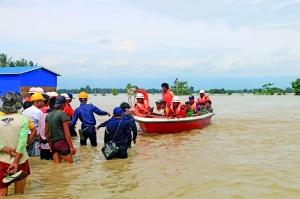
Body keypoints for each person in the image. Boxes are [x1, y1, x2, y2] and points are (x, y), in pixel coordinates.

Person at [0, 92, 30, 196]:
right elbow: (22, 142)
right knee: (19, 194)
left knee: (2, 194)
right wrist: (16, 161)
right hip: (20, 160)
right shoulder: (23, 119)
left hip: (2, 161)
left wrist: (5, 149)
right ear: (18, 103)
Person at [45, 96, 76, 163]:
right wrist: (71, 147)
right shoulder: (62, 114)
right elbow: (66, 132)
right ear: (63, 104)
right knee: (69, 166)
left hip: (53, 144)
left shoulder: (48, 115)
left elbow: (46, 133)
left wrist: (50, 144)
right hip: (62, 143)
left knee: (57, 167)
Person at [22, 93, 44, 157]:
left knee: (27, 156)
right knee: (36, 156)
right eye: (42, 101)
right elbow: (43, 126)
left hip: (25, 136)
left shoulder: (25, 111)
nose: (43, 103)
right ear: (37, 101)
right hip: (34, 137)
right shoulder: (38, 112)